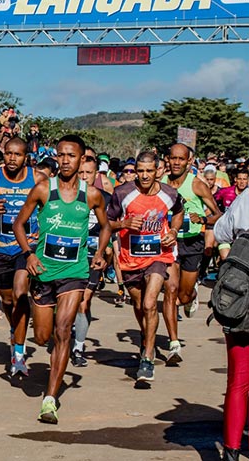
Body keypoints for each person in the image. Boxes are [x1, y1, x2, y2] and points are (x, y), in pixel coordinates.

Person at [14, 135, 111, 424]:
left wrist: (100, 253)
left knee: (64, 329)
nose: (66, 160)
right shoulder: (44, 189)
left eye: (72, 155)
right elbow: (19, 223)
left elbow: (106, 227)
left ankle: (50, 399)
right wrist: (29, 254)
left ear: (83, 160)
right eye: (61, 155)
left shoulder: (91, 195)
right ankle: (49, 334)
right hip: (44, 272)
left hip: (75, 272)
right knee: (43, 336)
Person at [107, 151, 184, 383]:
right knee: (140, 306)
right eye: (140, 170)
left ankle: (147, 359)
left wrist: (172, 231)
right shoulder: (122, 193)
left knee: (151, 303)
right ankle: (145, 340)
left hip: (158, 255)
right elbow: (106, 222)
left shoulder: (169, 194)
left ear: (158, 170)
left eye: (149, 171)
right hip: (131, 259)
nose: (144, 175)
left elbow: (179, 212)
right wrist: (124, 223)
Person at [0, 137, 43, 377]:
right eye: (8, 154)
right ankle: (16, 332)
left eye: (18, 155)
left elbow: (50, 211)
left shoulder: (38, 180)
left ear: (26, 158)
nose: (12, 159)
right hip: (1, 249)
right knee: (8, 301)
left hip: (28, 247)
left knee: (20, 291)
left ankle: (20, 354)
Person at [161, 143, 222, 365]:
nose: (176, 162)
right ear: (168, 159)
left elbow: (218, 214)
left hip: (192, 243)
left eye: (181, 159)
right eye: (173, 158)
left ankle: (192, 295)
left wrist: (203, 219)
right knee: (170, 290)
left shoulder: (197, 185)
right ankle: (174, 343)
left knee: (183, 296)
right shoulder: (161, 184)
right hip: (169, 243)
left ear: (189, 161)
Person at [213, 189, 249, 461]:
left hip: (240, 296)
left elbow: (221, 232)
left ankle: (231, 452)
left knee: (238, 380)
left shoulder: (247, 196)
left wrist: (231, 261)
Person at [71, 156, 113, 368]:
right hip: (67, 254)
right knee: (71, 301)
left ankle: (78, 347)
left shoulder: (105, 198)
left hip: (93, 254)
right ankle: (71, 330)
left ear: (97, 175)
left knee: (83, 301)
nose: (84, 177)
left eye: (89, 173)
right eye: (81, 173)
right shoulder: (66, 196)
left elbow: (110, 228)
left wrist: (106, 252)